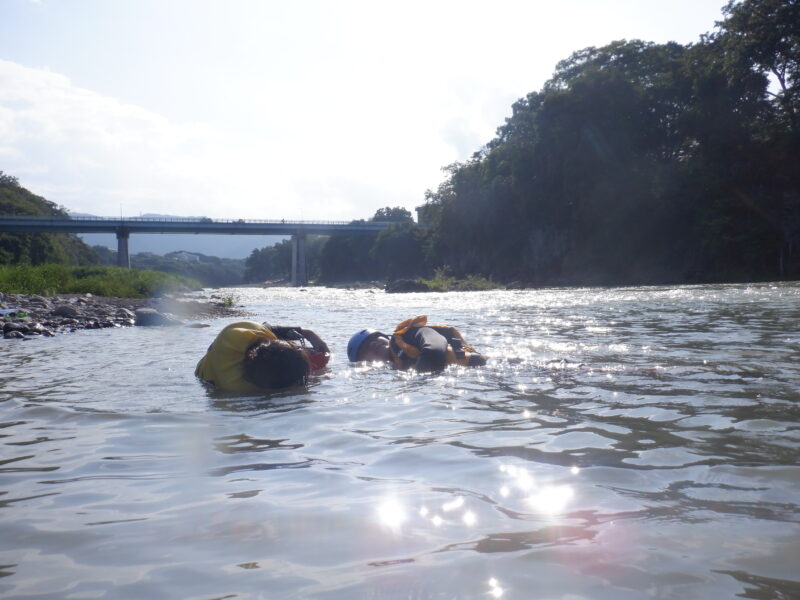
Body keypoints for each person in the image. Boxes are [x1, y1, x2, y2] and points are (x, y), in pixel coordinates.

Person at [196, 321, 329, 394]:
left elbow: (269, 328)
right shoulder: (242, 388)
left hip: (219, 353)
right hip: (203, 371)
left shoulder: (236, 333)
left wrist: (308, 334)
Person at [347, 315, 486, 372]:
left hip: (488, 366)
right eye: (365, 349)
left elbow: (435, 348)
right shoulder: (395, 367)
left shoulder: (407, 335)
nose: (372, 344)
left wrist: (418, 378)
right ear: (363, 363)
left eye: (375, 338)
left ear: (387, 338)